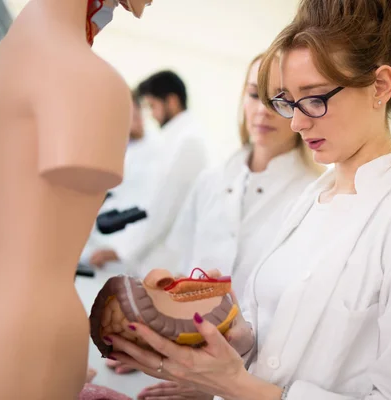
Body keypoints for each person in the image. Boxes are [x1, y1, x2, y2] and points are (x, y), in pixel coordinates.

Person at [102, 1, 391, 399]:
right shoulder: (313, 201)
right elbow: (278, 349)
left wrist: (236, 384)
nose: (296, 122)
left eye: (314, 98)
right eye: (287, 102)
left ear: (380, 86)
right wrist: (225, 343)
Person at [108, 53, 324, 380]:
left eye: (282, 98)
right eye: (254, 95)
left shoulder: (316, 198)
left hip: (258, 379)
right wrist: (155, 341)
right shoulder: (212, 180)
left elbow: (295, 320)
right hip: (188, 362)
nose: (263, 109)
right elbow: (180, 267)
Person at [89, 70, 208, 270]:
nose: (151, 115)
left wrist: (122, 252)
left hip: (166, 259)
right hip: (153, 253)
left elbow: (163, 209)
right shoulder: (176, 138)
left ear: (171, 101)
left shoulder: (187, 142)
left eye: (152, 106)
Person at [80, 91, 161, 264]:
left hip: (123, 250)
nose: (135, 117)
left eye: (136, 111)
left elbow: (150, 211)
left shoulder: (157, 152)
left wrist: (118, 251)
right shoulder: (115, 146)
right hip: (96, 241)